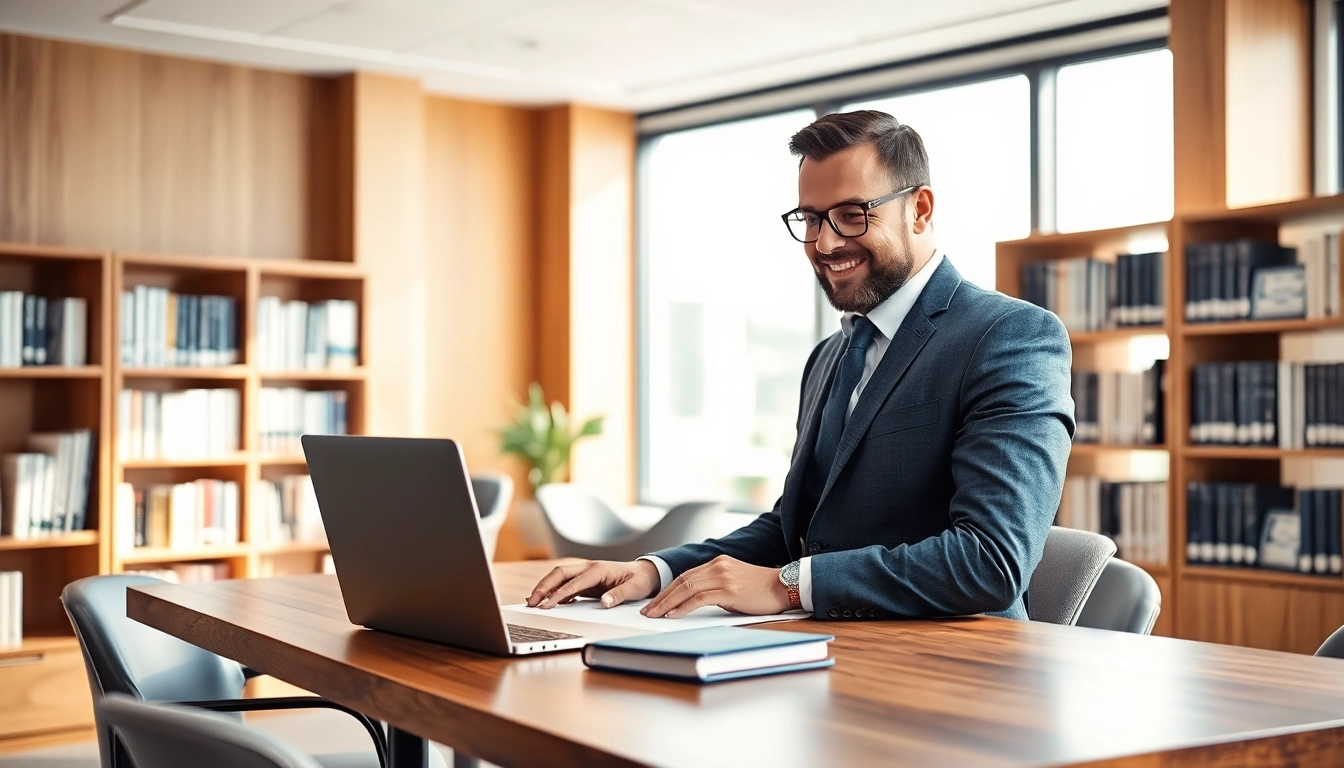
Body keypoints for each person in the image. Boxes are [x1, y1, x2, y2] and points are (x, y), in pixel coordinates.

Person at [527, 110, 1074, 621]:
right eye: (811, 219)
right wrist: (655, 571)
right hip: (827, 651)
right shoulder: (830, 356)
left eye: (852, 216)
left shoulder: (1010, 336)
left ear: (921, 209)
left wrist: (785, 586)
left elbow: (990, 560)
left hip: (957, 666)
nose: (825, 242)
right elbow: (797, 529)